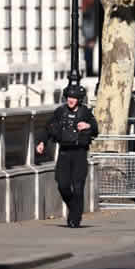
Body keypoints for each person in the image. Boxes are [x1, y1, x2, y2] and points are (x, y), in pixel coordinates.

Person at [36, 84, 98, 228]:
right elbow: (48, 128)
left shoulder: (85, 113)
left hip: (80, 153)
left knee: (78, 187)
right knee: (63, 185)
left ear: (79, 99)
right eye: (69, 97)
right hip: (64, 152)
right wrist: (42, 142)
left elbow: (96, 129)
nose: (71, 100)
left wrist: (88, 126)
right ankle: (74, 209)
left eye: (74, 98)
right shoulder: (60, 112)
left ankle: (75, 219)